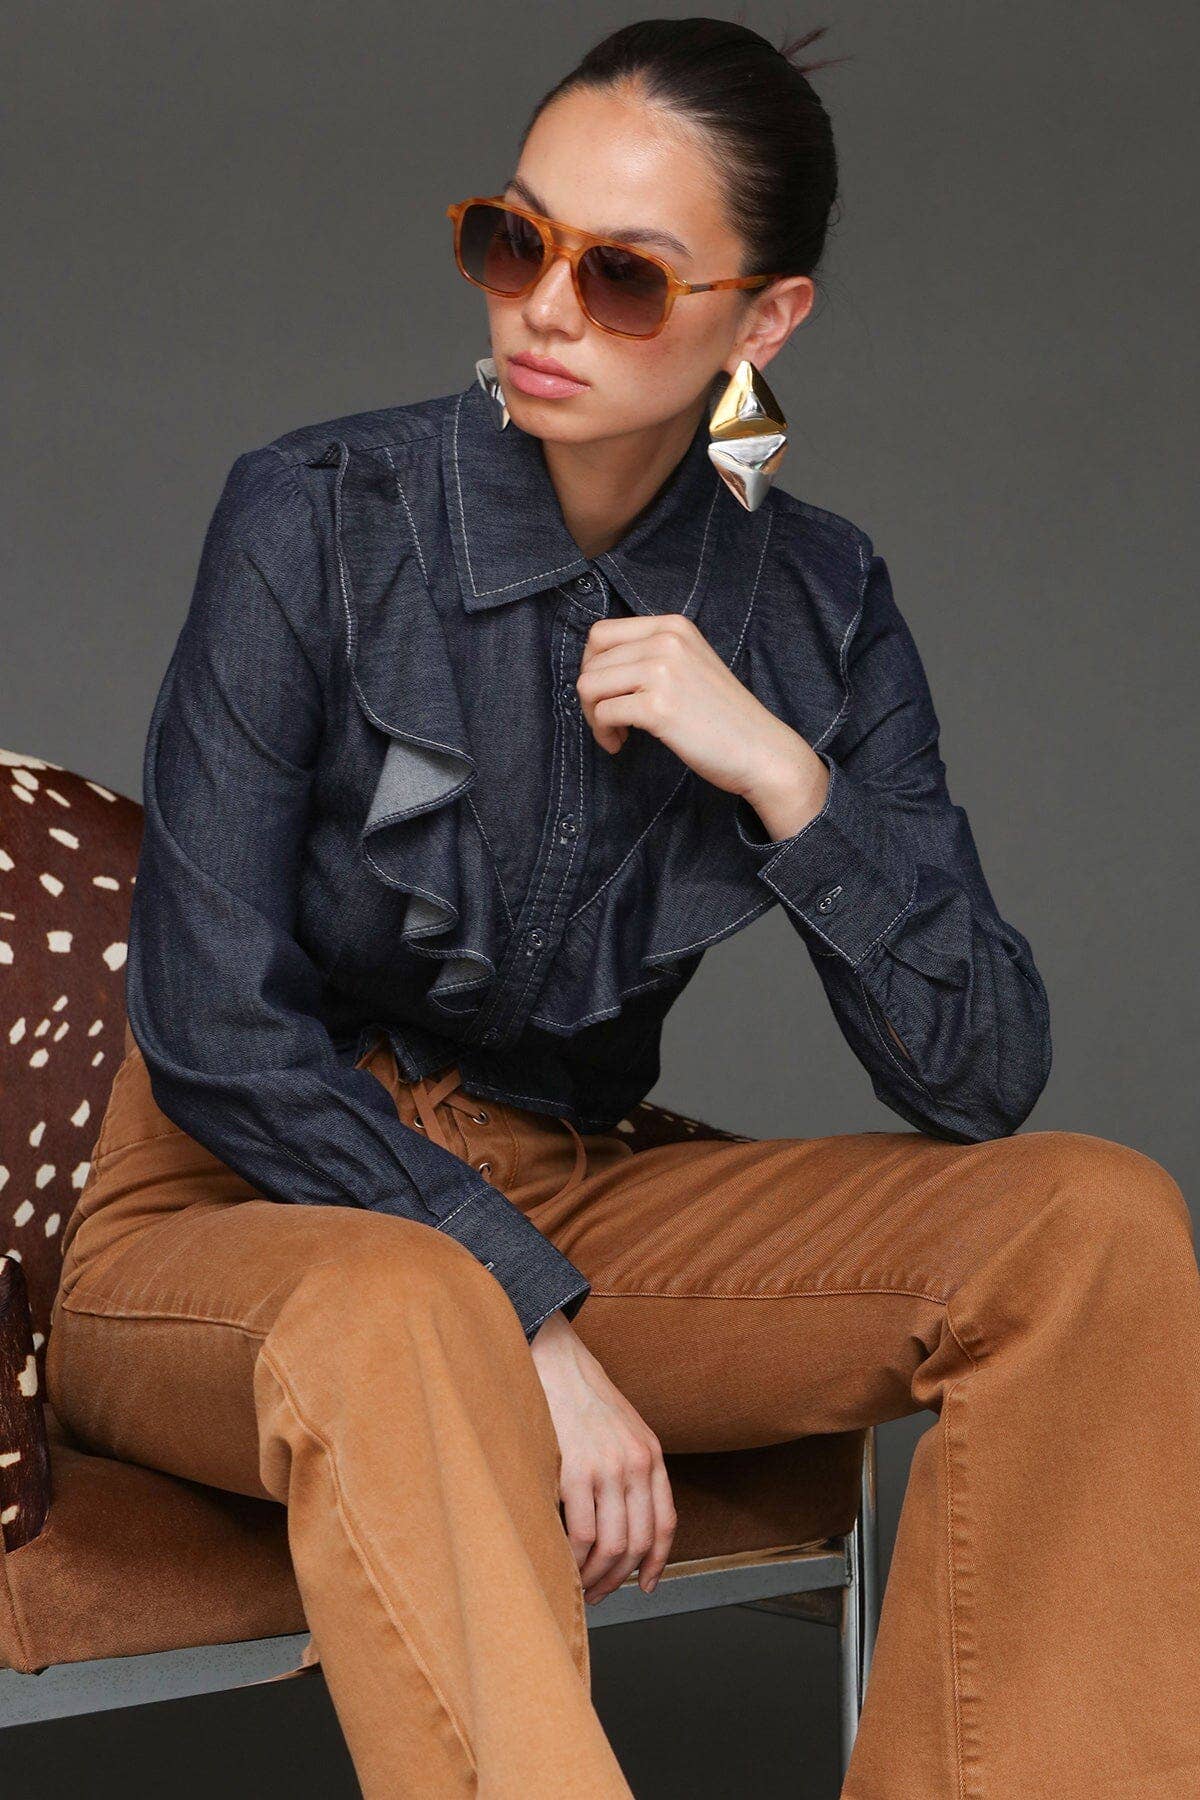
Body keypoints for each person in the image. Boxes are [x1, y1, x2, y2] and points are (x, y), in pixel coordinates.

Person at [46, 18, 1200, 1799]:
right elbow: (210, 1030)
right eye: (515, 240)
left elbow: (983, 1074)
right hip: (234, 1217)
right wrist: (525, 1317)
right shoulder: (318, 516)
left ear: (767, 324)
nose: (546, 308)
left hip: (578, 1190)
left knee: (1094, 1226)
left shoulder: (816, 599)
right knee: (404, 1309)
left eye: (629, 274)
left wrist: (784, 776)